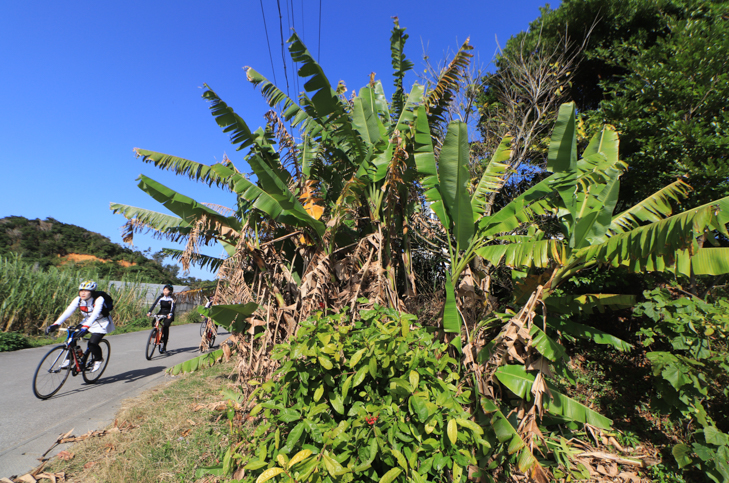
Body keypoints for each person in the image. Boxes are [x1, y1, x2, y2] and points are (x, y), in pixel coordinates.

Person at [45, 280, 115, 372]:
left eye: (86, 291)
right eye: (81, 291)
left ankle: (98, 359)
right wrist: (55, 324)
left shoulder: (99, 299)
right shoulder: (78, 299)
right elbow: (67, 312)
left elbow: (95, 314)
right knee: (72, 336)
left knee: (92, 343)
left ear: (92, 292)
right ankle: (70, 359)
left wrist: (86, 327)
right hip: (87, 321)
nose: (83, 293)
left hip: (101, 322)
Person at [147, 284, 176, 354]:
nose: (165, 291)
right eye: (164, 290)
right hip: (161, 312)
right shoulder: (161, 297)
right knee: (154, 321)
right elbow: (155, 304)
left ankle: (164, 345)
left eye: (167, 290)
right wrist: (150, 311)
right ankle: (155, 333)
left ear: (170, 291)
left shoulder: (173, 298)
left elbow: (173, 308)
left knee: (166, 326)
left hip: (169, 313)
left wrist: (170, 314)